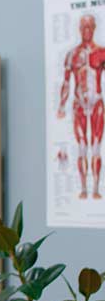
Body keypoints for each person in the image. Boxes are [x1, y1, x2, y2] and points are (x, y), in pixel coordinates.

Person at [58, 14, 104, 199]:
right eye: (83, 26)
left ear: (94, 28)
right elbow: (67, 82)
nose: (87, 30)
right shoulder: (72, 55)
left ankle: (96, 189)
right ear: (79, 29)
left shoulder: (102, 52)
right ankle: (84, 188)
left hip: (97, 102)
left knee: (96, 146)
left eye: (90, 26)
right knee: (82, 145)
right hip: (79, 104)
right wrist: (61, 106)